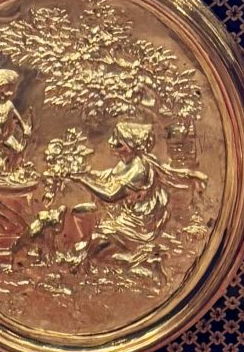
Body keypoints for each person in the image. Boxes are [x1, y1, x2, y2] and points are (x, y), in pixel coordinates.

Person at [72, 120, 207, 283]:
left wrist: (83, 180)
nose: (111, 142)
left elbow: (111, 195)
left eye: (118, 141)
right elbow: (107, 178)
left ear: (130, 145)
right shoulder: (125, 163)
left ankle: (145, 262)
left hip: (140, 222)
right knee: (90, 237)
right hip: (126, 214)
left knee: (96, 247)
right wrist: (83, 174)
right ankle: (140, 262)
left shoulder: (138, 169)